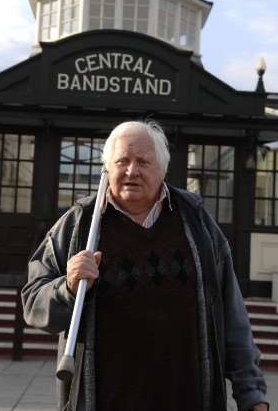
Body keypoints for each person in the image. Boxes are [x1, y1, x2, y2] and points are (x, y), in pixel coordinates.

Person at [22, 120, 269, 411]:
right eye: (122, 161)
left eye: (143, 161)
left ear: (162, 170)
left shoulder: (196, 222)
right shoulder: (80, 225)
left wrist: (251, 394)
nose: (131, 171)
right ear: (107, 168)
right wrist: (68, 287)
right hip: (104, 400)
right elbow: (33, 302)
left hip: (188, 398)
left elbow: (231, 316)